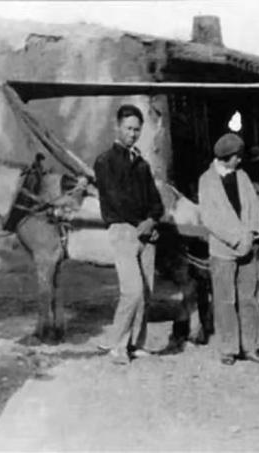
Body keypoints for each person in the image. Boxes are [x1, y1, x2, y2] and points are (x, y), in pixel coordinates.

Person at [94, 104, 164, 365]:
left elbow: (156, 202)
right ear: (117, 127)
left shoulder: (142, 164)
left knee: (145, 293)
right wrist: (141, 223)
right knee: (132, 291)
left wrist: (152, 220)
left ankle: (136, 343)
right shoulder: (105, 162)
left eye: (137, 130)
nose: (132, 134)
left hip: (145, 231)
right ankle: (117, 345)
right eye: (128, 128)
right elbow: (117, 201)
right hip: (123, 230)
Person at [198, 132, 259, 366]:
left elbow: (253, 207)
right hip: (223, 249)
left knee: (249, 298)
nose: (240, 160)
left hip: (247, 247)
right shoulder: (206, 181)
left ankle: (252, 346)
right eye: (237, 156)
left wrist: (251, 234)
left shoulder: (243, 176)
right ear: (227, 157)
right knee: (225, 299)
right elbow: (210, 218)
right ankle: (228, 348)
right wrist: (236, 239)